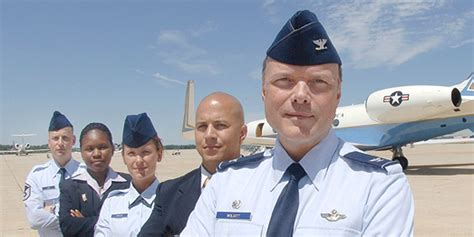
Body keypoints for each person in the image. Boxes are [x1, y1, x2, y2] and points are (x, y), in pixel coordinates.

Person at [181, 10, 414, 236]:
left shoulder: (380, 187)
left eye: (318, 82)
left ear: (337, 96)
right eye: (284, 80)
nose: (300, 95)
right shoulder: (227, 182)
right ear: (264, 92)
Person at [138, 92, 247, 236]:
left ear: (242, 133)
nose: (209, 135)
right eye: (202, 126)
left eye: (220, 125)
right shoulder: (168, 193)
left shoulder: (265, 187)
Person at [95, 113, 163, 236]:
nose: (139, 160)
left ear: (159, 153)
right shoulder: (112, 203)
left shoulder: (172, 201)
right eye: (131, 153)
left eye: (146, 152)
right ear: (124, 158)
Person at [59, 122, 130, 237]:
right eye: (89, 149)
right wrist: (116, 222)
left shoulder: (129, 184)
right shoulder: (70, 187)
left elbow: (136, 223)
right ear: (81, 152)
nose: (96, 154)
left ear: (112, 149)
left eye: (102, 147)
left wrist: (84, 221)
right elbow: (68, 227)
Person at [23, 111, 85, 237]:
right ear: (49, 142)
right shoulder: (37, 176)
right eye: (55, 138)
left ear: (73, 141)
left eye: (65, 138)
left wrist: (51, 210)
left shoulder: (86, 173)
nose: (60, 143)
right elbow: (34, 219)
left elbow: (96, 215)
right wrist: (71, 218)